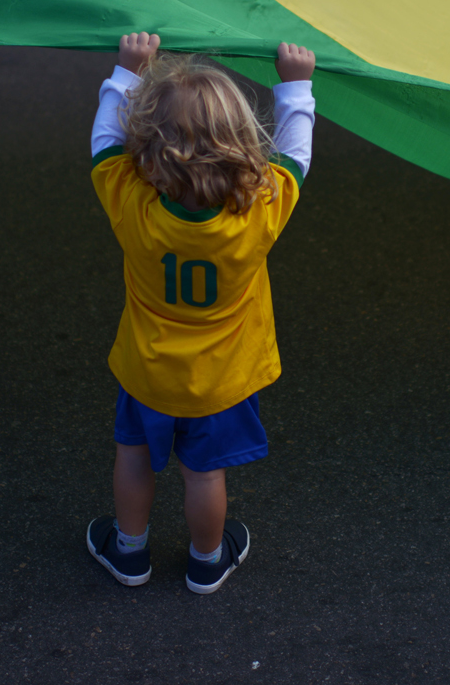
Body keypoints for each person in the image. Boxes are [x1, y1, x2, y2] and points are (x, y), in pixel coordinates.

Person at [85, 32, 316, 594]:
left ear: (149, 150)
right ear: (241, 143)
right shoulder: (259, 211)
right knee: (204, 472)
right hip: (220, 381)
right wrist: (296, 85)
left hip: (147, 372)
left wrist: (127, 72)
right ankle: (207, 561)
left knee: (134, 458)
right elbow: (297, 152)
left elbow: (104, 140)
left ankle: (129, 552)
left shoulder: (131, 204)